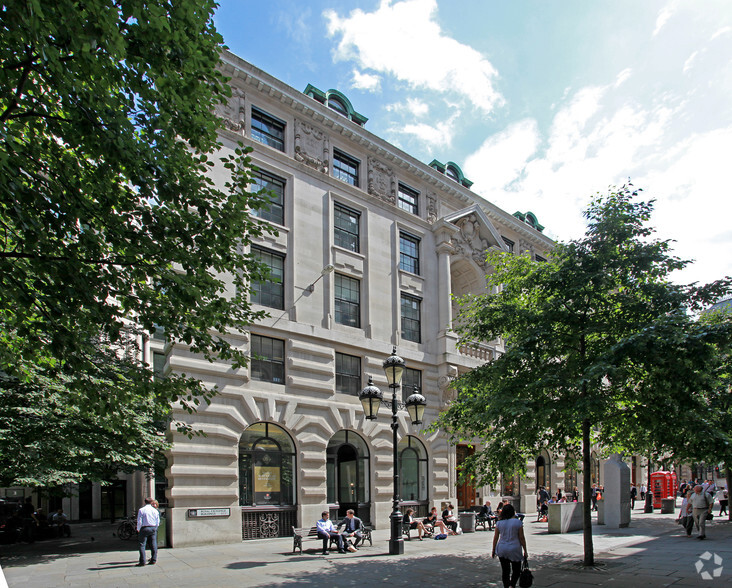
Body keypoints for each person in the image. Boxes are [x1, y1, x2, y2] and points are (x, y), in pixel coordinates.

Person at [492, 504, 528, 588]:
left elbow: (496, 537)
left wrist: (493, 549)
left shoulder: (499, 523)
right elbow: (521, 538)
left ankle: (506, 586)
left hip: (502, 548)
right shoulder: (518, 522)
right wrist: (525, 550)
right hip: (514, 548)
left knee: (505, 571)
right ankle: (512, 585)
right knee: (516, 570)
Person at [136, 497, 160, 566]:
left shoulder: (142, 510)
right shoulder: (155, 510)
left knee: (142, 545)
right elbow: (157, 520)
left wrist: (138, 529)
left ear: (145, 502)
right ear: (151, 502)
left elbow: (139, 521)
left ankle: (142, 561)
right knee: (153, 544)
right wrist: (156, 527)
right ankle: (153, 559)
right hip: (153, 528)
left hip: (144, 528)